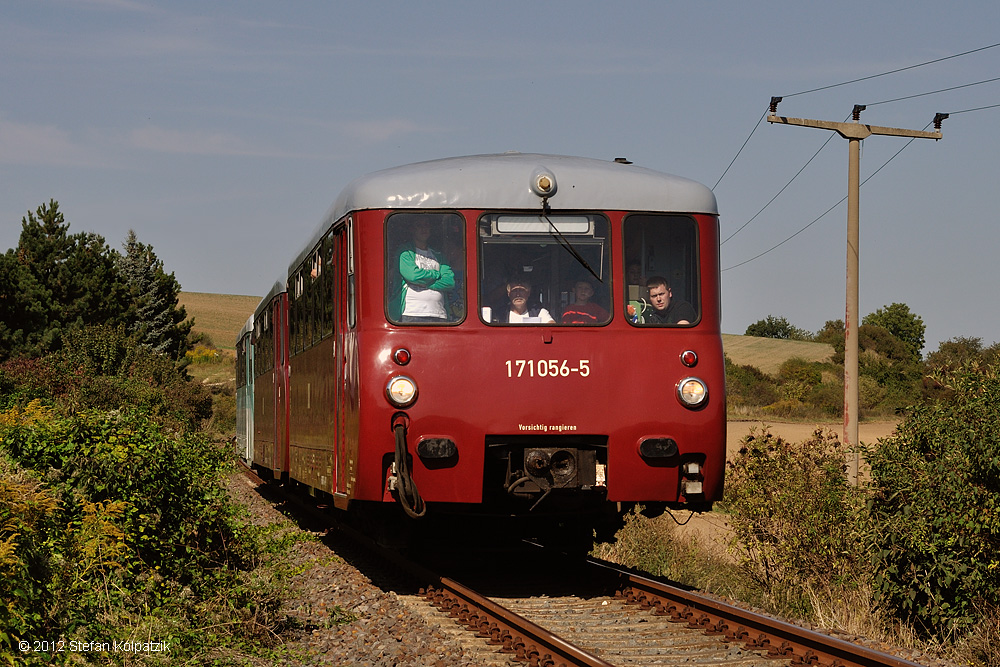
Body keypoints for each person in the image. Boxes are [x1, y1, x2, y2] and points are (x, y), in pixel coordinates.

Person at [397, 218, 455, 322]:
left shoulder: (439, 256)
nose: (424, 229)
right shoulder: (405, 252)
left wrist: (426, 284)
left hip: (439, 314)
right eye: (419, 225)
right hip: (412, 313)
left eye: (426, 225)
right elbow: (412, 276)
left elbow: (449, 282)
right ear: (412, 229)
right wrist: (437, 275)